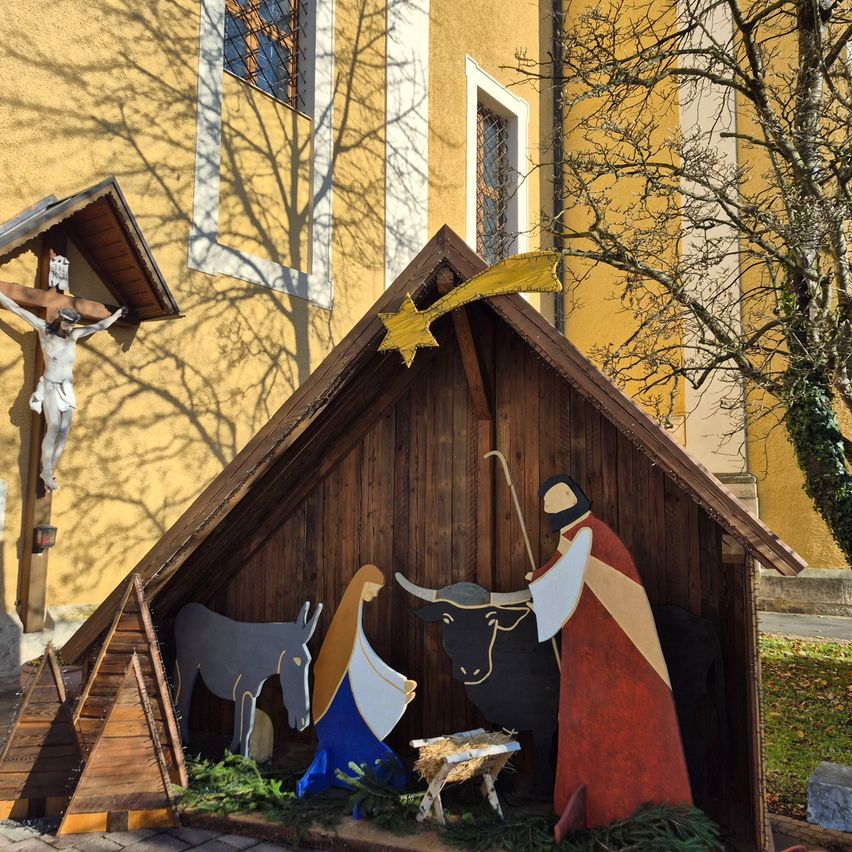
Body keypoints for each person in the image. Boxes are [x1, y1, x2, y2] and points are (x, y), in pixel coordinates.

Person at [528, 474, 693, 840]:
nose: (552, 508)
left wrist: (538, 583)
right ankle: (585, 800)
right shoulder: (572, 534)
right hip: (588, 645)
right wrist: (538, 577)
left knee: (624, 718)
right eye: (548, 505)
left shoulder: (590, 534)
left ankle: (629, 806)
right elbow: (560, 567)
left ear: (573, 499)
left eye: (557, 500)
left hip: (618, 646)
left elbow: (564, 575)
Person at [297, 564, 416, 798]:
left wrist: (397, 682)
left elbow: (366, 658)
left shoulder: (351, 623)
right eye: (374, 589)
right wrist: (397, 684)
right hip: (340, 698)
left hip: (344, 694)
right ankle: (369, 777)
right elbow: (365, 660)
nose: (375, 594)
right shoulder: (347, 627)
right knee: (375, 753)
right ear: (363, 586)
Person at [0, 290, 126, 491]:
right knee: (54, 427)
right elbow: (17, 310)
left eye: (72, 323)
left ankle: (49, 472)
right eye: (67, 322)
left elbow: (99, 326)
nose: (69, 326)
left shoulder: (73, 336)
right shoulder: (45, 331)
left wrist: (117, 315)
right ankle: (47, 471)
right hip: (50, 385)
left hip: (67, 388)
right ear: (60, 319)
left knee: (65, 430)